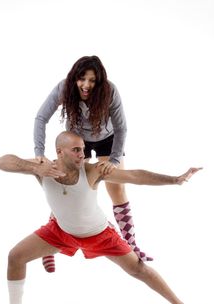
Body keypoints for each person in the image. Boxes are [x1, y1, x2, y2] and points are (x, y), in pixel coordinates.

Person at [0, 131, 203, 304]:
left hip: (99, 233)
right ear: (59, 152)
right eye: (77, 150)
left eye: (83, 148)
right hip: (60, 231)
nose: (83, 154)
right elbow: (0, 161)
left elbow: (135, 176)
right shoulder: (43, 168)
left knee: (139, 269)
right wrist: (34, 167)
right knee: (15, 256)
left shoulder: (92, 171)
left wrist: (174, 180)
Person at [34, 55, 150, 273]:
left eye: (92, 80)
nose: (86, 85)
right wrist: (39, 153)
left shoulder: (110, 91)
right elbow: (41, 117)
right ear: (74, 78)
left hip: (108, 138)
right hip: (77, 139)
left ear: (99, 82)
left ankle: (131, 245)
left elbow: (122, 127)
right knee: (65, 187)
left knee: (117, 189)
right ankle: (48, 245)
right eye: (82, 79)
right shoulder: (64, 88)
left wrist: (114, 160)